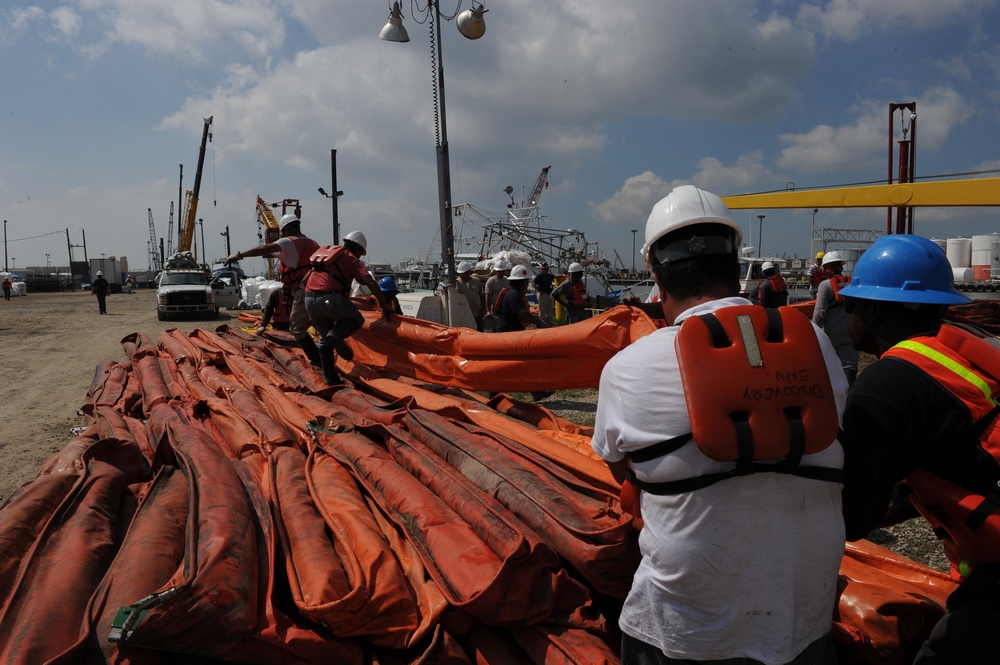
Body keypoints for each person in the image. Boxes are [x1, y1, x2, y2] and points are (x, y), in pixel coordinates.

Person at [591, 185, 846, 664]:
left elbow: (620, 472)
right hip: (802, 621)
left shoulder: (627, 368)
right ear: (736, 262)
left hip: (681, 633)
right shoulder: (815, 344)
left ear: (654, 274)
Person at [838, 234, 1000, 664]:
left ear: (871, 308)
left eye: (850, 303)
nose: (847, 312)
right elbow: (953, 457)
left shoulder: (884, 386)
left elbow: (854, 517)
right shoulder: (959, 354)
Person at [225, 213, 323, 368]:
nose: (281, 235)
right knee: (319, 325)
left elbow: (264, 248)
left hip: (303, 290)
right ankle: (330, 353)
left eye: (282, 232)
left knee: (297, 327)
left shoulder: (288, 242)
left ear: (287, 229)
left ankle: (319, 360)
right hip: (319, 289)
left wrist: (239, 255)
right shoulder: (313, 243)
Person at [304, 230, 392, 385]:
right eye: (360, 254)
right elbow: (370, 282)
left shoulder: (326, 257)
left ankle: (332, 380)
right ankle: (336, 333)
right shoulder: (351, 259)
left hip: (309, 300)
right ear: (358, 250)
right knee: (356, 318)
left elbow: (305, 280)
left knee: (324, 340)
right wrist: (384, 304)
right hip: (329, 297)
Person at [495, 264, 553, 401]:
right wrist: (539, 323)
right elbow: (522, 313)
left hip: (512, 333)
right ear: (521, 282)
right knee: (507, 366)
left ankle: (536, 392)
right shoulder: (513, 295)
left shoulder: (512, 293)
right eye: (526, 283)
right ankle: (494, 394)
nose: (527, 286)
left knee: (523, 364)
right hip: (508, 335)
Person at [812, 250, 858, 385]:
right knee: (850, 364)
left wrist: (814, 330)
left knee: (832, 364)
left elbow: (820, 312)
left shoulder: (825, 286)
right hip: (851, 330)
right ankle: (850, 393)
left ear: (826, 269)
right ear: (841, 266)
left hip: (833, 332)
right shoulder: (852, 283)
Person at [456, 261, 485, 331]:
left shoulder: (476, 281)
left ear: (469, 272)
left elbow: (482, 295)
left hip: (477, 314)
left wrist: (483, 309)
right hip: (464, 316)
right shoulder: (457, 283)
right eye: (461, 274)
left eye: (464, 273)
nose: (462, 275)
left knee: (479, 332)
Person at [484, 259, 510, 331]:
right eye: (499, 272)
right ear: (496, 271)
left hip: (505, 307)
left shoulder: (507, 280)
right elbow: (487, 296)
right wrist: (488, 311)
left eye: (502, 271)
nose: (501, 273)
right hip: (495, 307)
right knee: (496, 326)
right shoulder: (491, 281)